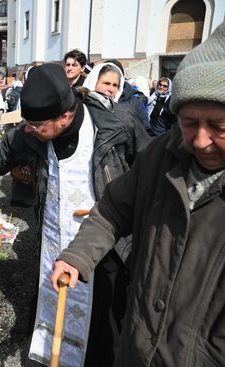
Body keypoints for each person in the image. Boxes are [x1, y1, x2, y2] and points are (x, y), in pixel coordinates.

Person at [0, 63, 150, 366]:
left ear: (65, 116)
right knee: (50, 311)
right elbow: (5, 151)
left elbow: (148, 172)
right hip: (54, 242)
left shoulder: (116, 125)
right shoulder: (35, 128)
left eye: (36, 125)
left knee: (102, 328)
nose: (28, 129)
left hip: (106, 245)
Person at [51, 21, 225, 367]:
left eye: (219, 127)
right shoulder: (161, 155)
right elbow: (113, 208)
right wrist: (78, 255)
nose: (201, 141)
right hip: (136, 348)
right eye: (190, 123)